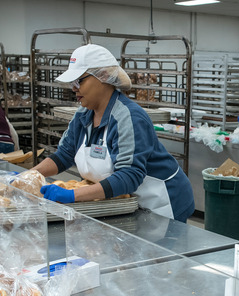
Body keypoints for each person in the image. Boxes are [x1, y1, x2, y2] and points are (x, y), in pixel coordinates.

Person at [28, 44, 195, 222]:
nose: (74, 88)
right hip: (128, 204)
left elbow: (129, 176)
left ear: (103, 77)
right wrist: (30, 175)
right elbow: (65, 155)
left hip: (161, 203)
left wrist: (73, 195)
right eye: (72, 83)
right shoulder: (84, 114)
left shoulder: (129, 117)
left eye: (79, 81)